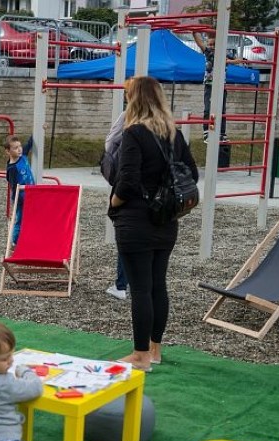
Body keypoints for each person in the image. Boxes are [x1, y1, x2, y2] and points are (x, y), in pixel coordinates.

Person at [108, 76, 198, 371]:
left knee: (141, 289)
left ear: (135, 101)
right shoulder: (175, 135)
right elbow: (192, 175)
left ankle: (140, 355)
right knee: (159, 285)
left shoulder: (134, 133)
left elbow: (127, 181)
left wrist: (114, 203)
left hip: (136, 220)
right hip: (166, 220)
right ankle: (155, 349)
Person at [103, 110, 129, 301]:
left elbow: (110, 143)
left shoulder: (131, 133)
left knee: (127, 242)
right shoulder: (170, 132)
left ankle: (121, 285)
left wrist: (116, 200)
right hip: (159, 203)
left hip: (130, 201)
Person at [193, 31, 232, 143]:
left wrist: (238, 60)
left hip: (221, 86)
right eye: (210, 44)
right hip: (210, 85)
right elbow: (200, 43)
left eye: (214, 44)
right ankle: (206, 132)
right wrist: (195, 32)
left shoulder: (224, 54)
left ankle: (222, 133)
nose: (211, 47)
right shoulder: (208, 52)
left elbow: (232, 60)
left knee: (222, 110)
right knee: (208, 109)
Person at [4, 134, 35, 245]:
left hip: (32, 193)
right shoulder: (12, 168)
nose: (19, 149)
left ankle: (29, 236)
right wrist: (19, 197)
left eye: (19, 146)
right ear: (8, 151)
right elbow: (12, 184)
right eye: (15, 148)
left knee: (32, 216)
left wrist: (37, 131)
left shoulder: (23, 156)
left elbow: (29, 144)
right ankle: (15, 241)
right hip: (21, 197)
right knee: (20, 218)